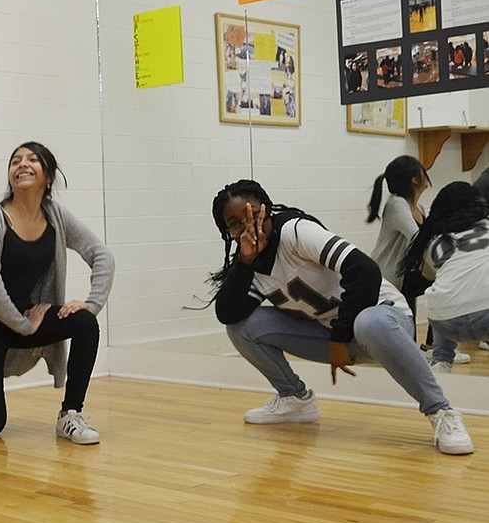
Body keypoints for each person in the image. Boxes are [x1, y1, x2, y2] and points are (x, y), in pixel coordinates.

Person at [208, 180, 473, 455]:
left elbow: (364, 271)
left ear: (267, 208)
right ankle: (295, 399)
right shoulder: (250, 262)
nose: (247, 225)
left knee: (369, 322)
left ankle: (442, 412)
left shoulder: (296, 231)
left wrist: (339, 338)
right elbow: (228, 313)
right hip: (333, 334)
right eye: (235, 224)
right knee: (242, 327)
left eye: (252, 214)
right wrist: (244, 262)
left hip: (384, 321)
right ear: (227, 232)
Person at [0, 142, 114, 443]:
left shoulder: (55, 215)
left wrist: (91, 304)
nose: (22, 164)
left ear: (49, 176)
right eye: (15, 160)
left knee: (84, 323)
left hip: (28, 318)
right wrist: (24, 325)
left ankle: (70, 414)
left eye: (32, 160)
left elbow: (102, 255)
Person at [365, 155, 468, 369]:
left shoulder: (417, 208)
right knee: (446, 285)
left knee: (444, 284)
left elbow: (433, 235)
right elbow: (418, 238)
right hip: (389, 276)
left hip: (406, 273)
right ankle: (435, 347)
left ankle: (431, 345)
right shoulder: (396, 204)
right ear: (415, 179)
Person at [402, 182, 489, 373]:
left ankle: (441, 361)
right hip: (486, 315)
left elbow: (431, 276)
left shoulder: (433, 241)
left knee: (442, 292)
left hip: (446, 323)